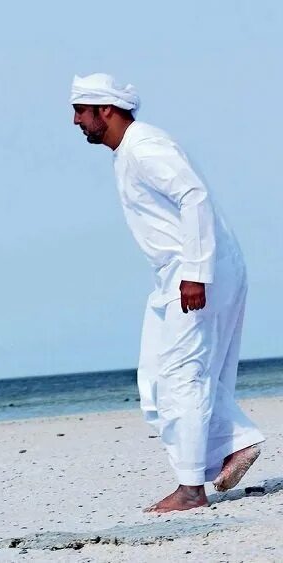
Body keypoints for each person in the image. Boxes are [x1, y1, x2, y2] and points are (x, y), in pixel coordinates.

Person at [69, 73, 265, 513]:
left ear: (107, 111)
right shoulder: (128, 153)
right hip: (175, 274)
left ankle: (192, 488)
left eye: (82, 110)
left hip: (197, 269)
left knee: (182, 374)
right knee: (157, 380)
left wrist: (196, 271)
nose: (76, 120)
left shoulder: (146, 146)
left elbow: (193, 196)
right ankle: (236, 442)